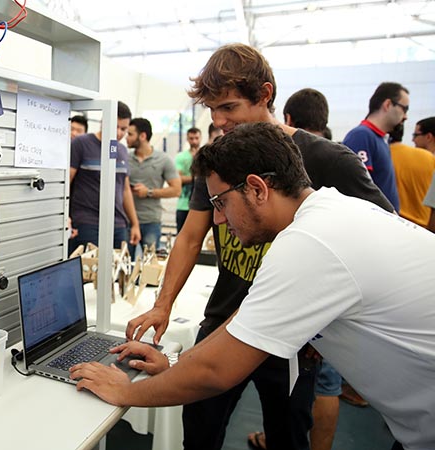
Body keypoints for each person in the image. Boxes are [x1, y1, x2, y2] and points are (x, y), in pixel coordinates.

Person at [70, 122, 435, 450]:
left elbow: (218, 372)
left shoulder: (310, 242)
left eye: (220, 202)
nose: (217, 218)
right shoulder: (324, 216)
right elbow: (241, 324)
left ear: (258, 189)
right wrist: (176, 362)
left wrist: (126, 392)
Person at [125, 43, 393, 450]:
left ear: (265, 94)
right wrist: (163, 304)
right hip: (223, 320)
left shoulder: (328, 159)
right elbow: (191, 235)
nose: (219, 121)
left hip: (295, 337)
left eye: (229, 108)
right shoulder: (219, 157)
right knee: (199, 430)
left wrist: (332, 320)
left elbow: (380, 238)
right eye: (212, 111)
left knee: (287, 436)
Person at [282, 87, 341, 450]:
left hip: (320, 306)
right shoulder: (343, 160)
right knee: (322, 387)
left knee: (316, 388)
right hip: (329, 306)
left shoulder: (303, 160)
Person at [68, 101, 141, 255]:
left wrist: (134, 224)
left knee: (118, 273)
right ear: (104, 122)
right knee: (89, 272)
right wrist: (65, 217)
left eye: (124, 129)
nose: (120, 133)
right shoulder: (81, 144)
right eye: (116, 127)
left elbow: (125, 190)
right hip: (87, 222)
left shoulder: (121, 150)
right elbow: (67, 182)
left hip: (118, 223)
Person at [342, 82, 409, 212]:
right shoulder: (361, 136)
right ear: (388, 104)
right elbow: (358, 187)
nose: (405, 116)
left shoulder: (380, 139)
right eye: (404, 109)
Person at [125, 118, 180, 254]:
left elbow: (176, 190)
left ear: (142, 136)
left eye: (130, 134)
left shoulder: (164, 160)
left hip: (151, 221)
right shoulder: (124, 158)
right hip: (126, 221)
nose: (126, 137)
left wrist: (148, 192)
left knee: (150, 265)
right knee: (123, 266)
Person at [389, 123, 435, 228]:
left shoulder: (385, 155)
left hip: (396, 222)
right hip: (424, 226)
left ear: (428, 137)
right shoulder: (429, 158)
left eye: (415, 135)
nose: (413, 140)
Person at [175, 128, 201, 232]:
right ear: (187, 139)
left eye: (196, 138)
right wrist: (195, 178)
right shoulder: (181, 157)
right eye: (191, 138)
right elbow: (178, 179)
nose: (194, 141)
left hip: (199, 204)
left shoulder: (205, 155)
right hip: (183, 204)